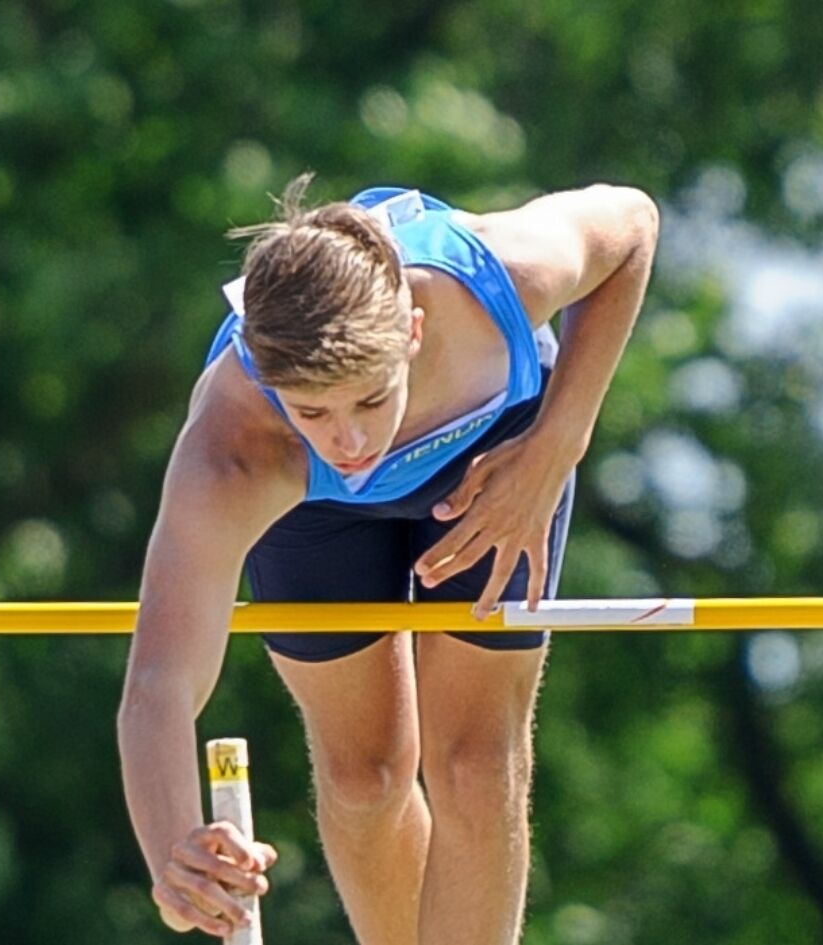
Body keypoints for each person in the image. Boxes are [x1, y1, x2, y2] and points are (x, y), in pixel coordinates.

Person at [117, 174, 658, 945]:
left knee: (474, 760)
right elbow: (159, 684)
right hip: (308, 501)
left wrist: (552, 451)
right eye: (313, 411)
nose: (351, 443)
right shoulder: (234, 450)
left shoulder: (495, 279)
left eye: (371, 399)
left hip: (498, 460)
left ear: (411, 329)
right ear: (271, 383)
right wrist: (176, 854)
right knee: (362, 776)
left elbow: (633, 225)